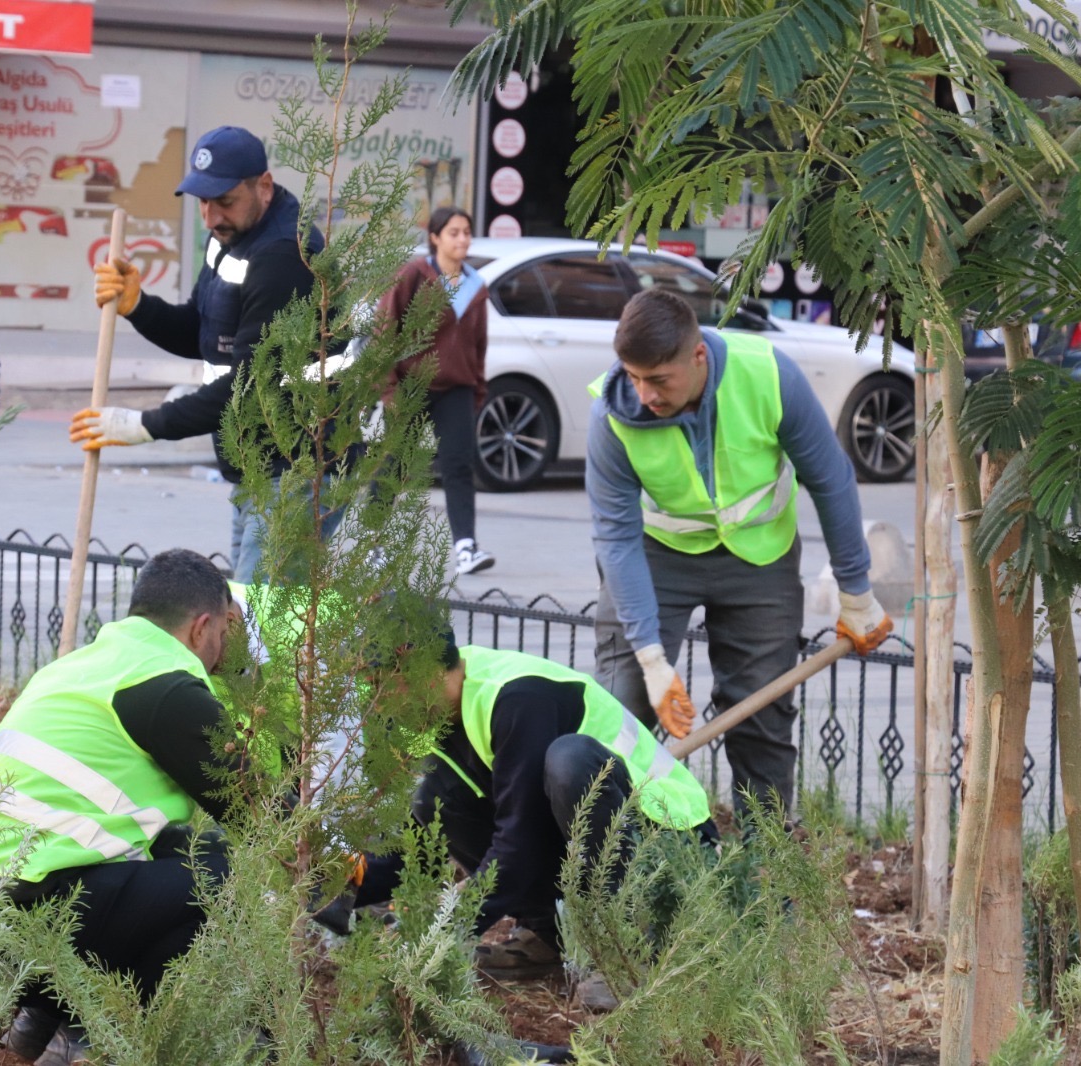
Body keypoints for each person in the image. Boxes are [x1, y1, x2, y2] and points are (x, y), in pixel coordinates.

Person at [586, 287, 893, 817]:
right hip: (659, 560)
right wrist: (651, 657)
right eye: (633, 376)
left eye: (658, 379)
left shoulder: (769, 375)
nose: (643, 394)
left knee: (762, 717)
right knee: (623, 707)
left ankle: (768, 871)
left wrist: (856, 591)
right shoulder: (611, 415)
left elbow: (831, 478)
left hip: (760, 560)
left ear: (698, 355)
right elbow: (615, 537)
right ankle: (610, 867)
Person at [0, 549, 243, 1061]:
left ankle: (44, 1018)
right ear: (201, 628)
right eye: (223, 633)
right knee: (233, 873)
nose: (222, 650)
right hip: (46, 923)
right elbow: (267, 813)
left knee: (182, 847)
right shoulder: (169, 688)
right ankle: (95, 1032)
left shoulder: (80, 666)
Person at [353, 631, 716, 1012]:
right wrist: (344, 883)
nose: (374, 703)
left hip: (665, 848)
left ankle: (622, 950)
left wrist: (447, 927)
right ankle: (551, 934)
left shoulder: (518, 696)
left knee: (570, 761)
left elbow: (519, 842)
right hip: (577, 842)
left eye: (381, 687)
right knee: (436, 799)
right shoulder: (429, 713)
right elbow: (421, 851)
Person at [69, 125, 336, 583]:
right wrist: (139, 306)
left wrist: (143, 425)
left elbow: (249, 391)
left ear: (264, 188)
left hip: (296, 471)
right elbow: (203, 330)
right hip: (256, 468)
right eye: (203, 202)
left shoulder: (285, 258)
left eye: (225, 202)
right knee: (250, 621)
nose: (211, 217)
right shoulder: (228, 237)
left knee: (259, 626)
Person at [378, 207, 494, 575]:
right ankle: (372, 546)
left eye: (466, 232)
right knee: (395, 464)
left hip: (456, 389)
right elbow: (386, 329)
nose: (462, 239)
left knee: (459, 465)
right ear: (435, 237)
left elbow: (478, 344)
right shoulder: (415, 275)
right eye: (454, 232)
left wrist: (477, 389)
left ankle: (466, 548)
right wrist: (389, 388)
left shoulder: (476, 286)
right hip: (412, 384)